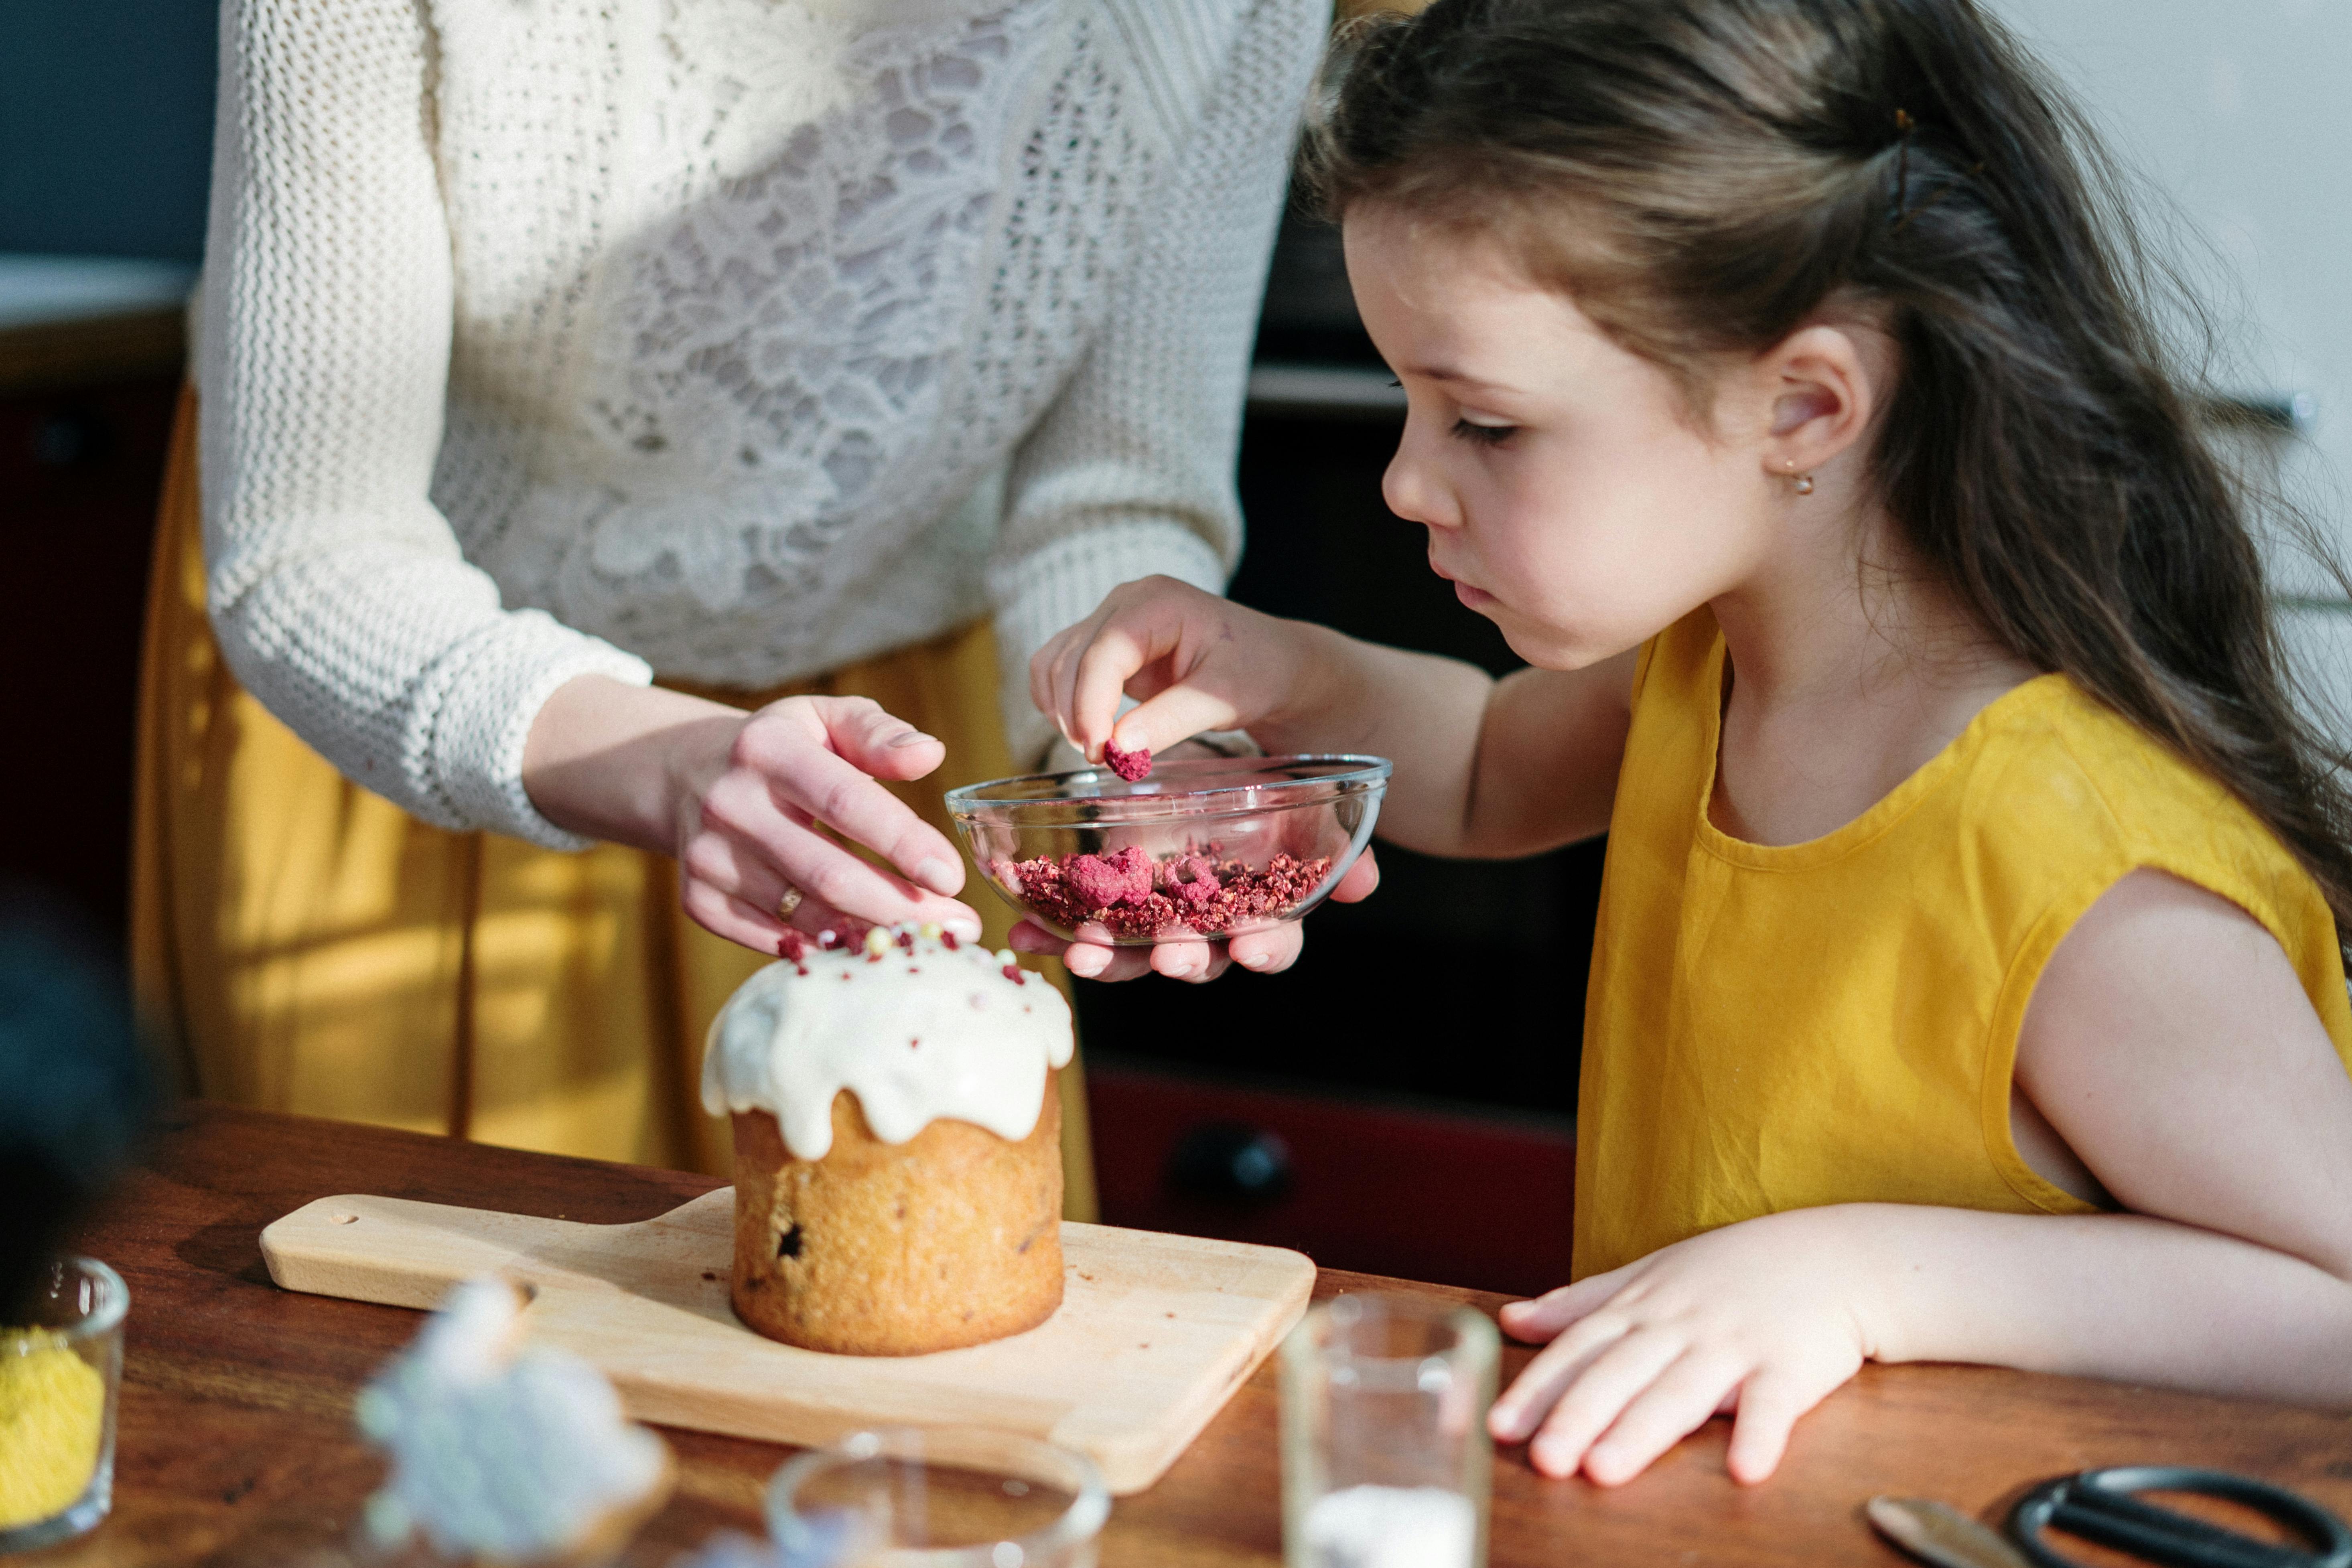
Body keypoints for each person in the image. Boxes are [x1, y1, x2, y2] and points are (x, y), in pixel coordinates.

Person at [1021, 0, 2352, 1483]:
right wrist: (1280, 671)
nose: (1405, 481)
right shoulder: (1705, 665)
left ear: (1802, 403)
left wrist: (1862, 1281)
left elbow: (2338, 1308)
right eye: (1410, 405)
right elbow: (1475, 768)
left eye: (1487, 424)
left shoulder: (2079, 865)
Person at [132, 0, 1327, 1193]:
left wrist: (1136, 765)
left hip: (887, 764)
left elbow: (1114, 490)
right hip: (428, 716)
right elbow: (312, 549)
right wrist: (669, 760)